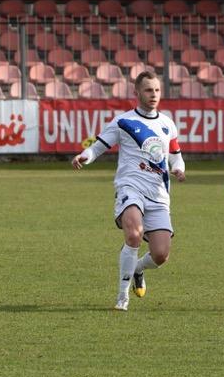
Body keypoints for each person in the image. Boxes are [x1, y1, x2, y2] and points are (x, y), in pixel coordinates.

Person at [72, 71, 186, 311]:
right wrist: (85, 156)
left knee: (161, 255)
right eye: (148, 90)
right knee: (134, 234)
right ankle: (122, 297)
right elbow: (98, 147)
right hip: (130, 187)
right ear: (137, 93)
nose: (153, 94)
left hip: (158, 194)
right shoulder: (123, 122)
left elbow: (176, 156)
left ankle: (138, 268)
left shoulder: (167, 124)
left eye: (157, 90)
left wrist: (178, 168)